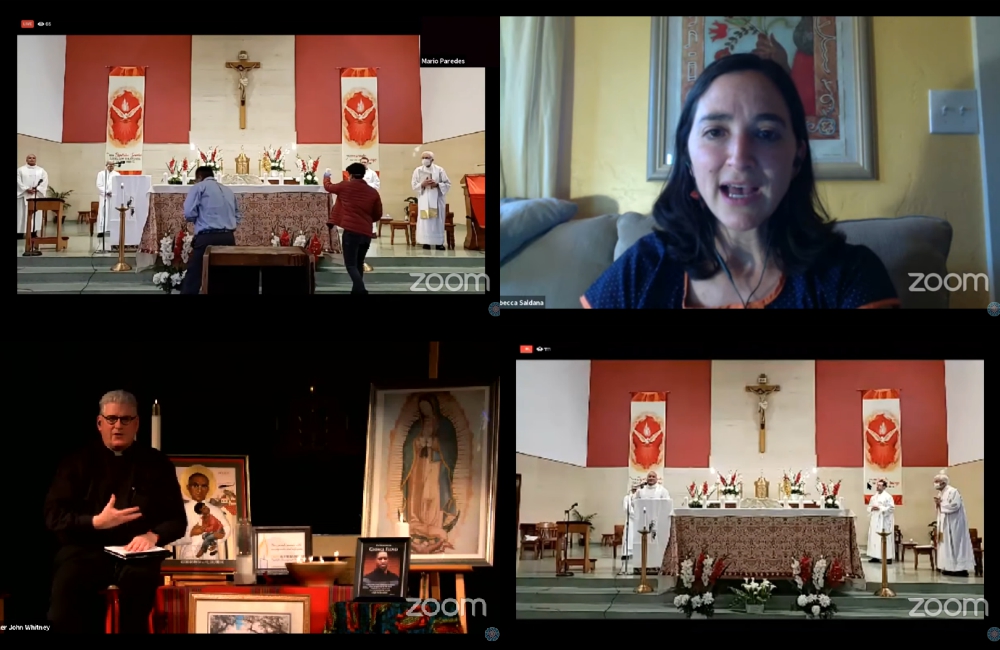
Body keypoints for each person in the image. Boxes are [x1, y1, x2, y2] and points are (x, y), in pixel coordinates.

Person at [580, 54, 899, 309]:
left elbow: (878, 388)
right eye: (715, 132)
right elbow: (577, 379)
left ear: (797, 158)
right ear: (688, 156)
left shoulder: (850, 275)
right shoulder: (643, 268)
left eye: (766, 134)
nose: (740, 157)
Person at [44, 390, 187, 633]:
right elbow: (53, 517)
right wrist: (96, 522)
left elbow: (177, 520)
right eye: (111, 419)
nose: (118, 426)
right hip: (84, 550)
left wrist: (152, 536)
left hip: (136, 554)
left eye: (125, 419)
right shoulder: (76, 462)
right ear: (100, 423)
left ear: (137, 423)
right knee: (67, 591)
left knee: (140, 584)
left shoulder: (157, 463)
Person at [179, 166, 241, 295]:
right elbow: (238, 215)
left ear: (200, 177)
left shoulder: (199, 187)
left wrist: (199, 218)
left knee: (194, 275)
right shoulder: (228, 190)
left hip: (207, 238)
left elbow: (189, 213)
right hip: (228, 237)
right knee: (224, 275)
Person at [323, 163, 383, 294]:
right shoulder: (372, 192)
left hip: (351, 232)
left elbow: (328, 187)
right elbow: (378, 213)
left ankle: (361, 289)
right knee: (359, 263)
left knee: (350, 264)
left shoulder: (345, 186)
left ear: (349, 175)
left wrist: (326, 176)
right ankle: (356, 291)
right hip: (366, 233)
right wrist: (366, 221)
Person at [172, 470, 231, 560]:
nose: (199, 490)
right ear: (188, 487)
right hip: (188, 557)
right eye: (195, 485)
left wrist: (215, 536)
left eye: (203, 486)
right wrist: (190, 533)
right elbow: (171, 537)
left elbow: (226, 530)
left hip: (210, 557)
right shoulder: (180, 510)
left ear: (208, 488)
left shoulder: (215, 510)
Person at [933, 474, 975, 576]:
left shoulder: (953, 491)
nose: (935, 484)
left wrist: (941, 504)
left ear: (943, 482)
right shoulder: (941, 493)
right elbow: (940, 508)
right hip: (945, 524)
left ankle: (959, 568)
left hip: (954, 523)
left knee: (956, 545)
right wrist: (938, 503)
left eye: (936, 481)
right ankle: (948, 567)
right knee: (946, 545)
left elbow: (955, 505)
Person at [411, 151, 452, 250]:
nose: (425, 159)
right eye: (423, 157)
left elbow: (447, 183)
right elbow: (413, 184)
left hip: (436, 200)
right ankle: (426, 242)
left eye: (427, 157)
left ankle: (438, 243)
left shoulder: (439, 170)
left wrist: (437, 184)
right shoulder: (418, 170)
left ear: (432, 159)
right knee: (426, 221)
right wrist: (422, 184)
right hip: (424, 199)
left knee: (436, 221)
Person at [17, 154, 48, 239]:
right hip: (23, 195)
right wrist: (26, 189)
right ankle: (19, 233)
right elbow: (18, 181)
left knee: (35, 215)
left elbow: (44, 182)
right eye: (29, 158)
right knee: (21, 215)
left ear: (36, 160)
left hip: (36, 196)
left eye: (33, 158)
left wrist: (37, 189)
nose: (31, 159)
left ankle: (34, 232)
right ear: (26, 160)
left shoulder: (41, 171)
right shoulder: (20, 170)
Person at [866, 479, 895, 563]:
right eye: (877, 485)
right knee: (874, 538)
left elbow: (891, 508)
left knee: (885, 538)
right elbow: (869, 507)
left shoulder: (888, 497)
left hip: (884, 520)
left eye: (880, 485)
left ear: (884, 487)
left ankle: (888, 557)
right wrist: (872, 508)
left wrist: (880, 509)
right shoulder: (874, 497)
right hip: (875, 520)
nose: (878, 487)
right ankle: (875, 556)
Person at [95, 162, 121, 239]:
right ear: (106, 165)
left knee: (113, 212)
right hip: (104, 196)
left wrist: (113, 192)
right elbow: (99, 185)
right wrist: (106, 192)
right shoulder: (101, 174)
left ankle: (111, 230)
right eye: (109, 165)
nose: (111, 166)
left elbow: (119, 185)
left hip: (113, 196)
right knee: (103, 212)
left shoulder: (117, 174)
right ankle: (101, 231)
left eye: (112, 165)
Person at [359, 156, 381, 236]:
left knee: (370, 214)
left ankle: (372, 231)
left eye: (365, 162)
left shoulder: (372, 173)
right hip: (359, 197)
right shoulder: (357, 173)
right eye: (362, 162)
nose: (363, 164)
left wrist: (367, 184)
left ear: (368, 163)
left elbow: (377, 184)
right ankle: (360, 231)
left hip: (369, 196)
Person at [621, 483, 639, 560]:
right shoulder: (627, 497)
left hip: (639, 520)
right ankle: (626, 553)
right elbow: (626, 508)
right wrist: (634, 515)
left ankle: (636, 553)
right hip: (630, 519)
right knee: (628, 536)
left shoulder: (640, 497)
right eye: (633, 487)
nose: (635, 489)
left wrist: (638, 516)